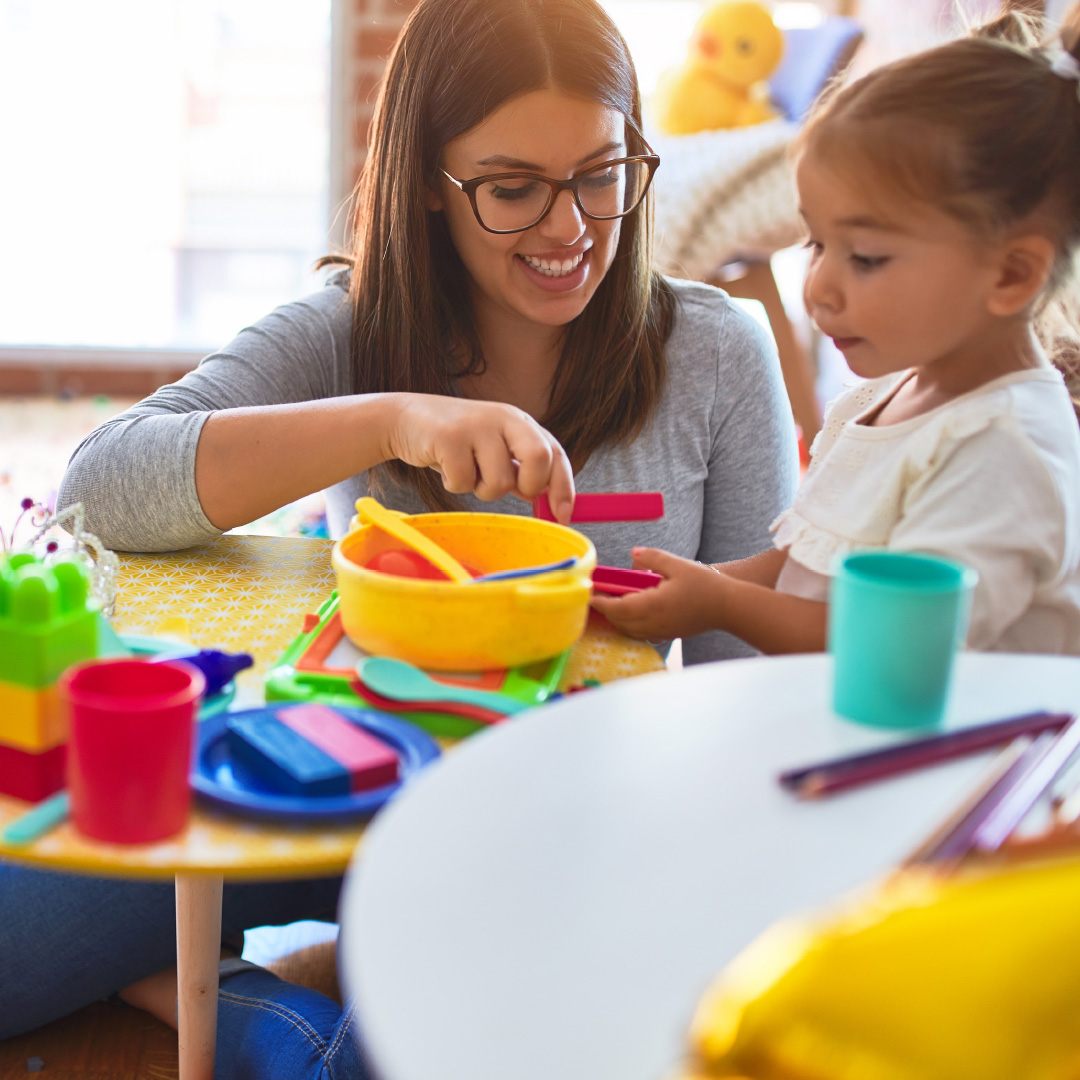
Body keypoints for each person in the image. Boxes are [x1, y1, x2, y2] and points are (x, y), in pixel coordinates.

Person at [2, 0, 796, 1074]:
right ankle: (249, 991)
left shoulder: (716, 352)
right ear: (430, 180)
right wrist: (391, 418)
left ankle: (244, 1017)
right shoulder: (350, 332)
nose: (569, 229)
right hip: (328, 782)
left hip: (569, 824)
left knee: (426, 1049)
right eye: (513, 189)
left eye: (602, 175)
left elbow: (746, 693)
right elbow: (95, 494)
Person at [596, 4, 1080, 659]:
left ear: (1011, 275)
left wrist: (720, 603)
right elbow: (808, 568)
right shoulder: (879, 401)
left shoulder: (1004, 447)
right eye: (816, 244)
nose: (817, 286)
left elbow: (892, 641)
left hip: (963, 758)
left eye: (867, 257)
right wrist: (690, 584)